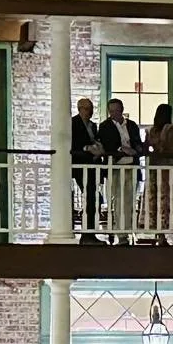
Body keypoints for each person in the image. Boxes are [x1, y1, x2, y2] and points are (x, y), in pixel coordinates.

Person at [96, 97, 143, 237]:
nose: (114, 114)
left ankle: (128, 229)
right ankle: (121, 233)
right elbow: (106, 145)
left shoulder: (132, 125)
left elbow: (137, 142)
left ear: (122, 110)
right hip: (116, 166)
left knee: (130, 199)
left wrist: (135, 150)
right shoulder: (105, 126)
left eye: (116, 111)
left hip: (132, 165)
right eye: (111, 111)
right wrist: (121, 150)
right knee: (118, 200)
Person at [141, 102, 173, 238]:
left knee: (156, 197)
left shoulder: (150, 130)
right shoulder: (170, 128)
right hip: (168, 167)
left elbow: (145, 148)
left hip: (154, 166)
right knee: (170, 196)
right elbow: (171, 148)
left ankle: (159, 234)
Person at [70, 97, 105, 241]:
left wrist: (98, 149)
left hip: (93, 166)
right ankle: (87, 233)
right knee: (91, 197)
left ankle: (89, 232)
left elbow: (95, 141)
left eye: (90, 109)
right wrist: (87, 149)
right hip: (80, 167)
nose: (89, 112)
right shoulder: (73, 123)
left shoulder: (93, 126)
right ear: (79, 109)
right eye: (86, 109)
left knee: (95, 198)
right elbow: (72, 143)